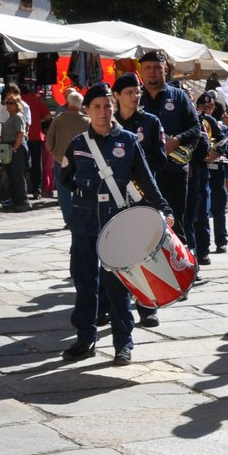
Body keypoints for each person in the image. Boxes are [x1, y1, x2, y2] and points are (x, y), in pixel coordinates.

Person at [60, 83, 174, 366]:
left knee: (118, 284)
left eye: (107, 106)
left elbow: (147, 180)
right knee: (85, 281)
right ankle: (85, 339)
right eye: (96, 106)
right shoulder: (76, 145)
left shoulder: (127, 141)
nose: (103, 111)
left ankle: (123, 343)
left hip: (116, 219)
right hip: (85, 220)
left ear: (113, 108)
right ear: (87, 110)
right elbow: (65, 178)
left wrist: (163, 208)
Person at [110, 73, 168, 327]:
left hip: (143, 197)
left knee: (145, 253)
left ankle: (147, 307)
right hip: (114, 197)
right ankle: (111, 305)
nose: (135, 97)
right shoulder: (107, 123)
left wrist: (137, 169)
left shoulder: (151, 122)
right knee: (116, 253)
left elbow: (160, 157)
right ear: (117, 96)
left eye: (137, 92)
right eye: (129, 93)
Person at [138, 50, 201, 248]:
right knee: (145, 222)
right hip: (143, 172)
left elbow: (196, 128)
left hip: (173, 169)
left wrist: (177, 140)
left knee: (176, 220)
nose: (152, 72)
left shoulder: (179, 97)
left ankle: (183, 266)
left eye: (157, 67)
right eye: (147, 68)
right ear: (141, 71)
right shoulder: (135, 98)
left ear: (165, 69)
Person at [191, 90, 228, 261]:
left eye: (209, 106)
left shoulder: (214, 122)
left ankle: (221, 240)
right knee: (203, 211)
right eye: (202, 106)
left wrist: (217, 151)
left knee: (219, 207)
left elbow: (222, 141)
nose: (206, 109)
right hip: (203, 170)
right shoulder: (194, 120)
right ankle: (203, 249)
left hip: (217, 170)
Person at [46, 90, 89, 229]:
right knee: (81, 189)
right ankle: (81, 217)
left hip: (61, 159)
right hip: (82, 160)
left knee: (63, 191)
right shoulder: (87, 121)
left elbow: (49, 139)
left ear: (68, 103)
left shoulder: (59, 118)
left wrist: (54, 153)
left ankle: (69, 220)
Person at [0, 92, 30, 211]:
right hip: (10, 147)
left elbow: (20, 133)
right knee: (11, 175)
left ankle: (23, 201)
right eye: (7, 103)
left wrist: (15, 148)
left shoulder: (18, 116)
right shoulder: (11, 117)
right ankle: (15, 200)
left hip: (16, 148)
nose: (8, 105)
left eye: (11, 103)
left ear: (17, 104)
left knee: (17, 175)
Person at [20, 81, 52, 198]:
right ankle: (36, 190)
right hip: (35, 136)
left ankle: (21, 190)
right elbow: (48, 116)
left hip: (20, 137)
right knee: (36, 164)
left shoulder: (15, 102)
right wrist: (39, 121)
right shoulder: (36, 100)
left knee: (20, 164)